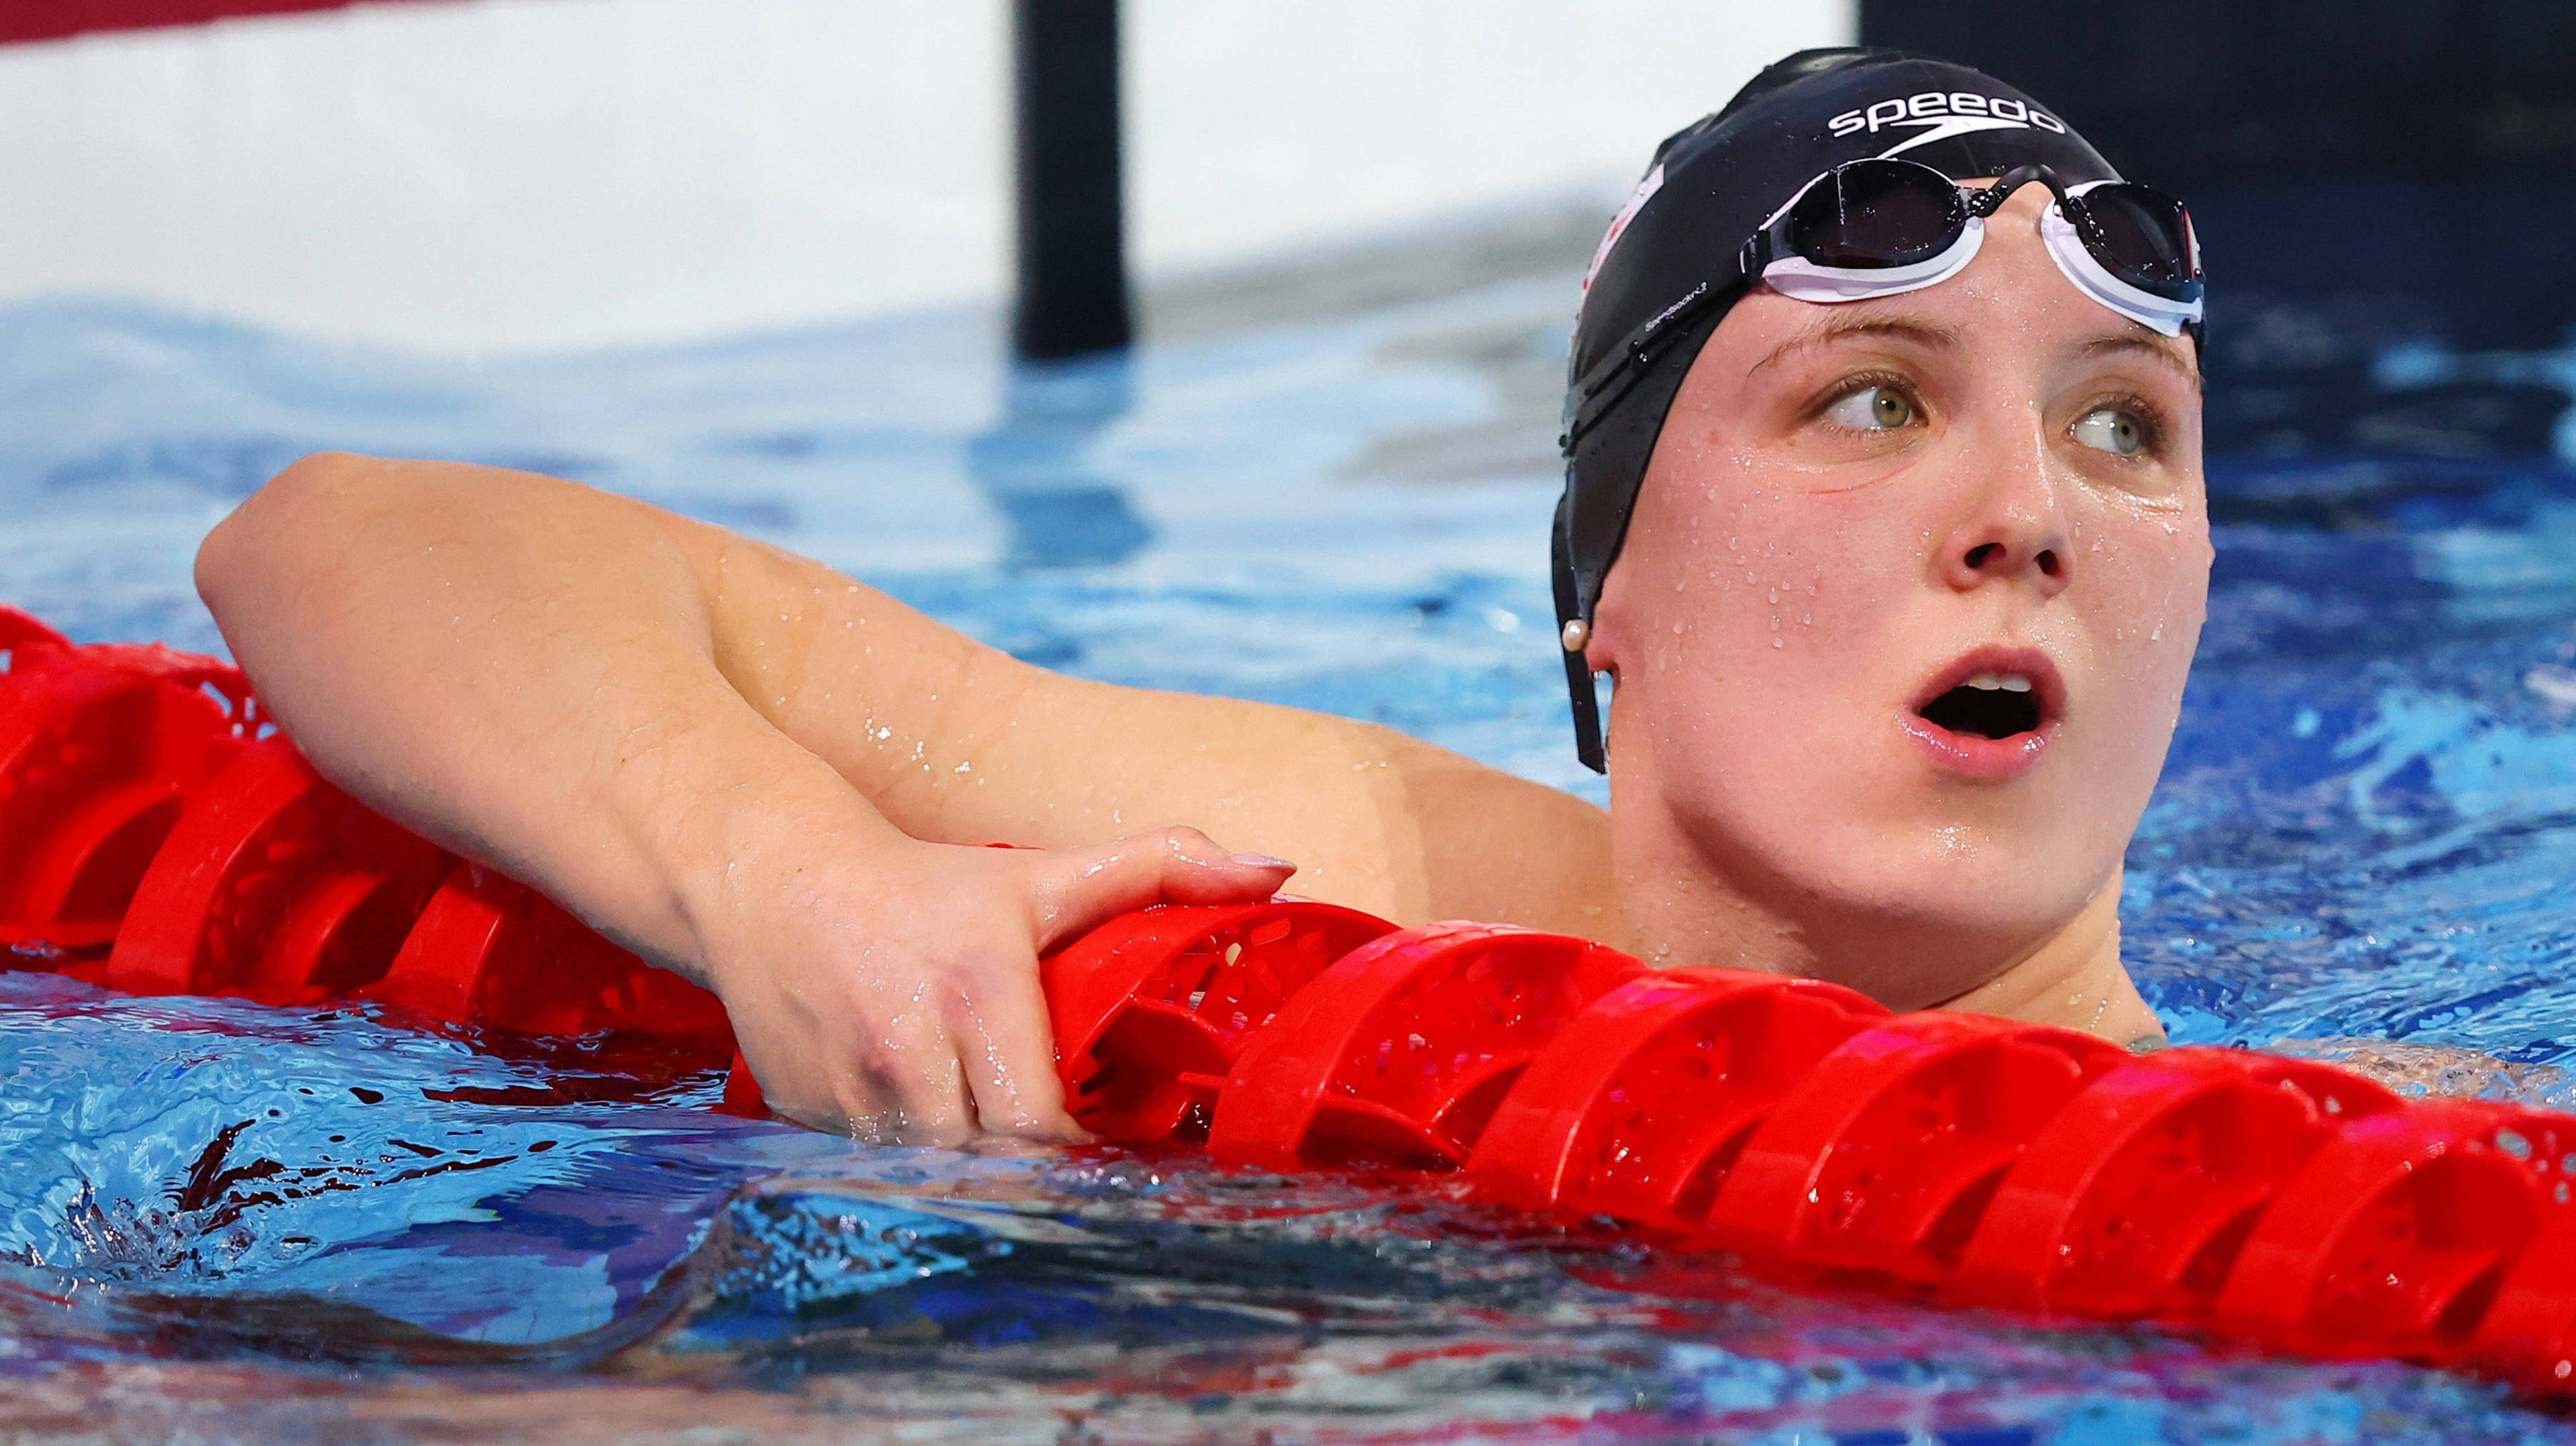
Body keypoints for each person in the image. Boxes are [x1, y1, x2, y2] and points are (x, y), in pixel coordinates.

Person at [191, 48, 2208, 1144]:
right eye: (1873, 400)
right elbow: (337, 538)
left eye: (2126, 428)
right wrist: (781, 867)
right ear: (1611, 589)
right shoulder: (1335, 874)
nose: (2025, 512)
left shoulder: (2357, 1160)